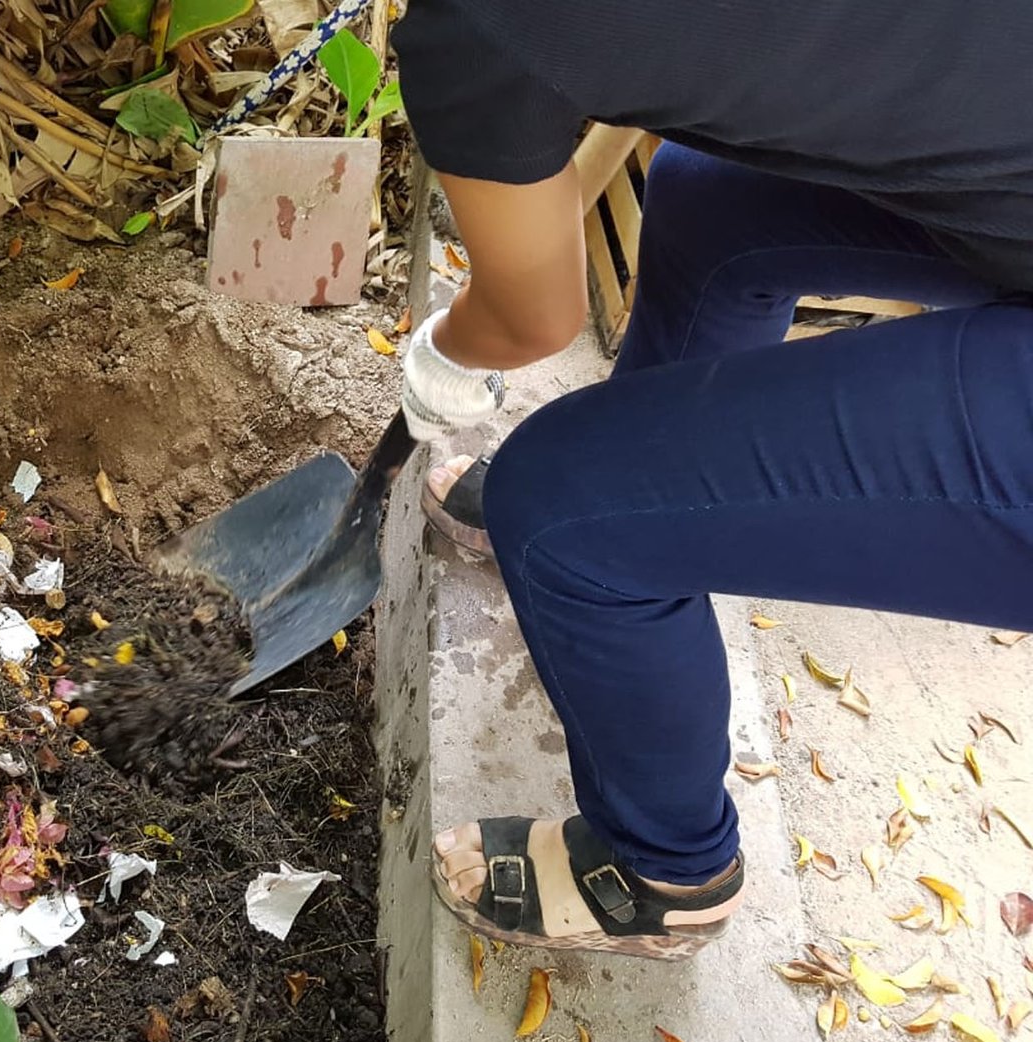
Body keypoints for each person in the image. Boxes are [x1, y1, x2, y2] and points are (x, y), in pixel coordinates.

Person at [388, 0, 1033, 959]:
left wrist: (443, 353)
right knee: (707, 201)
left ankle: (664, 871)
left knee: (556, 506)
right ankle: (650, 520)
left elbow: (531, 321)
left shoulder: (489, 24)